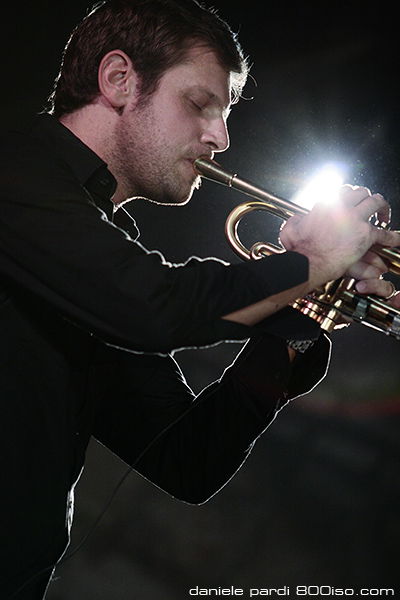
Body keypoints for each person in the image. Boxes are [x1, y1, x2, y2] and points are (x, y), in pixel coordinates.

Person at [1, 1, 399, 598]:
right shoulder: (14, 168)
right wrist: (308, 263)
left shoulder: (101, 261)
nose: (221, 137)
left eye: (226, 114)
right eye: (199, 104)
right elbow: (154, 308)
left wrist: (303, 307)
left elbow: (188, 460)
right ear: (119, 80)